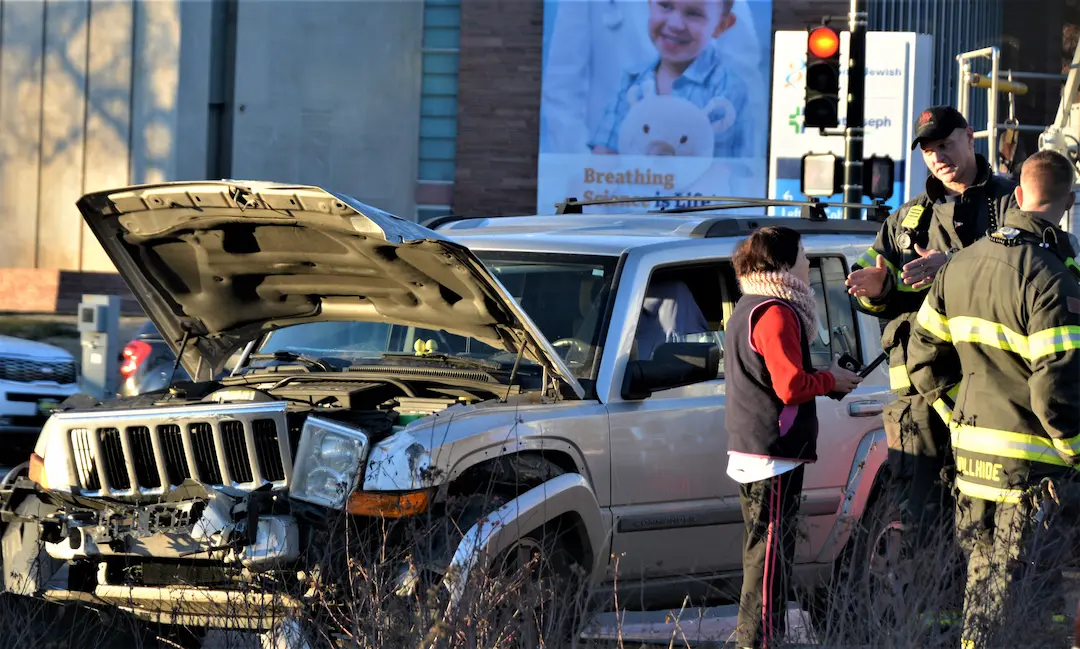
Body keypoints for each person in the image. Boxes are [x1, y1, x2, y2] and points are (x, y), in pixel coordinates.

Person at [906, 148, 1080, 648]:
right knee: (1023, 607)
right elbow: (1056, 394)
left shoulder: (960, 266)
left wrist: (957, 415)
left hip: (971, 467)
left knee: (983, 597)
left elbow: (921, 358)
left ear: (1019, 195)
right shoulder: (1052, 278)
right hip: (1032, 476)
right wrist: (1075, 451)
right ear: (1067, 202)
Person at [844, 105, 1019, 559]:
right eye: (927, 149)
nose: (937, 156)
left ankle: (988, 624)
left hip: (992, 392)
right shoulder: (906, 219)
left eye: (945, 144)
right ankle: (931, 628)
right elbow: (871, 280)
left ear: (970, 138)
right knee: (921, 519)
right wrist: (877, 291)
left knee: (990, 518)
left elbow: (1032, 280)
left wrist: (953, 266)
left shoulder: (1011, 202)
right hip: (920, 400)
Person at [725, 226, 863, 649]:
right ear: (783, 263)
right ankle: (761, 642)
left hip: (756, 448)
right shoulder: (777, 312)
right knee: (769, 561)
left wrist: (825, 382)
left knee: (763, 554)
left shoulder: (748, 305)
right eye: (803, 255)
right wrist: (830, 379)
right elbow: (789, 386)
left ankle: (761, 638)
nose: (808, 263)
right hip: (775, 454)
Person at [540, 0, 764, 155]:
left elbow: (747, 76)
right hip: (622, 187)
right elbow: (563, 86)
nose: (676, 24)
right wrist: (581, 169)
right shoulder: (631, 86)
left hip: (702, 196)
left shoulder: (727, 91)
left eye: (693, 13)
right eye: (665, 5)